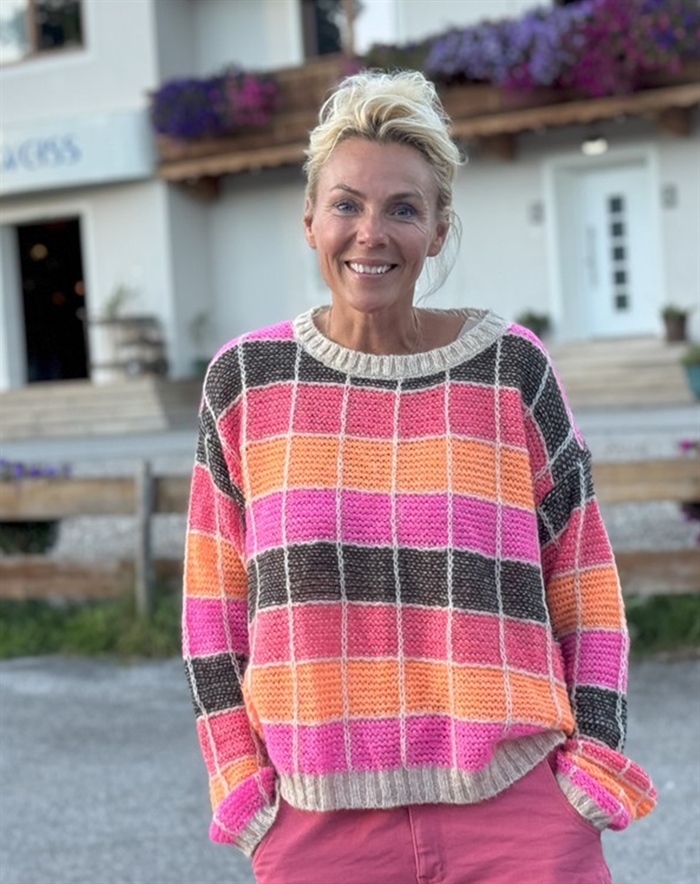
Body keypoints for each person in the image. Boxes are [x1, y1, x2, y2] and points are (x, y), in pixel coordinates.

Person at [182, 70, 656, 884]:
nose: (371, 233)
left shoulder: (510, 370)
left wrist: (591, 769)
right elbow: (211, 611)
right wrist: (240, 786)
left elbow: (585, 582)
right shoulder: (246, 383)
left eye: (403, 209)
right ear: (309, 220)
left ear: (437, 231)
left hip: (517, 813)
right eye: (347, 205)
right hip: (316, 828)